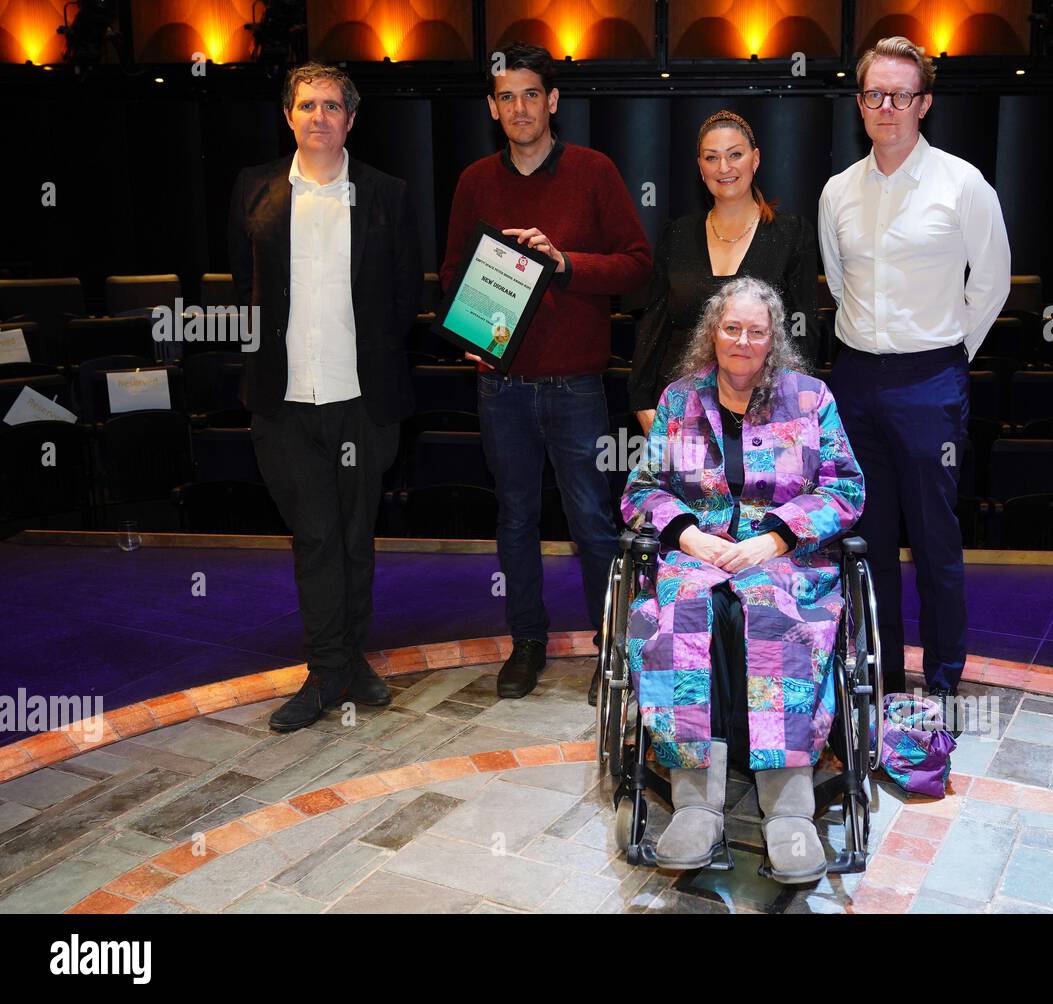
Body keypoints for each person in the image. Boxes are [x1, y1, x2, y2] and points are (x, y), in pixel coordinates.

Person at [621, 276, 864, 884]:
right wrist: (689, 536)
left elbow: (845, 487)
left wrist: (773, 538)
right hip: (697, 557)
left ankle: (789, 808)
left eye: (757, 331)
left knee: (773, 614)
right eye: (732, 328)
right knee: (681, 615)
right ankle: (695, 803)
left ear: (773, 340)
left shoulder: (810, 400)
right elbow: (641, 489)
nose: (743, 341)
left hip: (782, 560)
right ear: (713, 331)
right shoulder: (680, 401)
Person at [440, 42, 652, 700]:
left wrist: (567, 263)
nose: (520, 107)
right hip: (499, 384)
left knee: (591, 519)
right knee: (514, 518)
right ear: (492, 108)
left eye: (532, 93)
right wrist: (465, 330)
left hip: (577, 385)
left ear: (553, 101)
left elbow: (639, 266)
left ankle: (610, 648)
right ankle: (526, 642)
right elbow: (452, 272)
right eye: (507, 96)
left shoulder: (593, 171)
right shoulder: (475, 180)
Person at [818, 36, 1010, 732]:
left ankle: (945, 681)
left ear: (924, 103)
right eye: (874, 94)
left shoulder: (963, 185)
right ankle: (879, 674)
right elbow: (839, 284)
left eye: (902, 95)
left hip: (932, 378)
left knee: (934, 539)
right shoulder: (838, 190)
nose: (887, 108)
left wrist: (948, 359)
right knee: (866, 541)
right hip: (856, 380)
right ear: (860, 101)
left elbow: (990, 286)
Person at [227, 62, 422, 732]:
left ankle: (350, 660)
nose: (319, 117)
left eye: (332, 106)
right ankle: (325, 670)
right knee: (314, 538)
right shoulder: (254, 189)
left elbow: (404, 299)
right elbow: (239, 287)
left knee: (355, 538)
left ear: (351, 119)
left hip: (362, 401)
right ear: (288, 115)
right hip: (283, 403)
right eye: (307, 105)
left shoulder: (387, 195)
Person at [627, 109, 818, 440]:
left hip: (767, 415)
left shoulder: (790, 232)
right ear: (700, 167)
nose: (724, 168)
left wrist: (790, 412)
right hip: (681, 416)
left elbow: (802, 333)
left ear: (755, 160)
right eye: (711, 158)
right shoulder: (678, 234)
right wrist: (645, 404)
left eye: (735, 155)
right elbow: (654, 325)